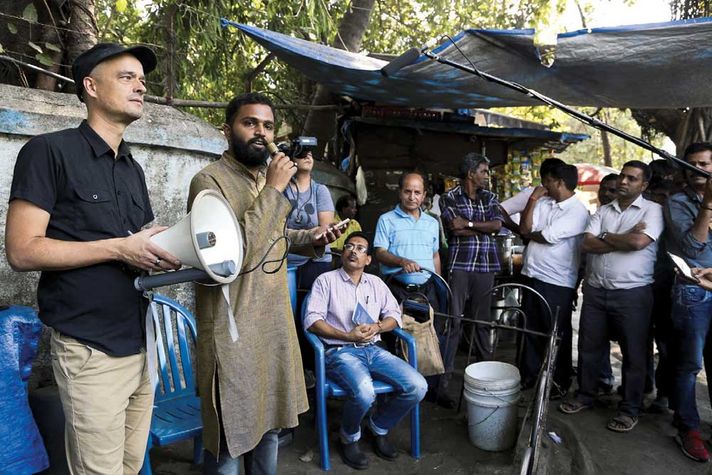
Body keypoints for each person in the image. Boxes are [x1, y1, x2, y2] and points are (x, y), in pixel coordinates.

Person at [5, 43, 181, 473]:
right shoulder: (48, 151)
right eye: (126, 77)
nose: (141, 86)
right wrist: (121, 247)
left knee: (130, 465)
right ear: (91, 87)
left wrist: (166, 248)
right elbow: (22, 250)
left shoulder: (131, 168)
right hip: (92, 350)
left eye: (142, 79)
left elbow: (134, 243)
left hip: (142, 342)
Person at [188, 92, 340, 474]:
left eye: (268, 126)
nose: (261, 133)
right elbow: (234, 256)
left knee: (270, 429)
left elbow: (276, 234)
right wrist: (274, 190)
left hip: (271, 326)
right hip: (232, 331)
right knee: (230, 441)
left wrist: (313, 238)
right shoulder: (207, 182)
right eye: (250, 123)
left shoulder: (260, 180)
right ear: (227, 130)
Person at [304, 232, 427, 470]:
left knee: (418, 386)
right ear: (343, 253)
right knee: (364, 393)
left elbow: (393, 314)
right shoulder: (325, 280)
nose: (353, 250)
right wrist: (346, 335)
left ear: (368, 260)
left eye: (360, 248)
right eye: (349, 246)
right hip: (340, 351)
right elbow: (311, 320)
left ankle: (378, 427)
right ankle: (349, 437)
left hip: (373, 349)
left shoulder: (376, 283)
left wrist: (378, 326)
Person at [560, 160, 663, 434]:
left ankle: (630, 408)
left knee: (634, 354)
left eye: (632, 178)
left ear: (644, 184)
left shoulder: (654, 211)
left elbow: (638, 243)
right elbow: (587, 243)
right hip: (595, 291)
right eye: (623, 177)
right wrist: (619, 237)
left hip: (633, 294)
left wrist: (608, 238)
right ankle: (585, 396)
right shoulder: (604, 210)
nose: (624, 182)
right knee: (589, 348)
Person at [373, 171, 451, 407]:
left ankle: (431, 390)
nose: (412, 196)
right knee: (396, 336)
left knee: (432, 336)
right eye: (407, 191)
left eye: (417, 192)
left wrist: (438, 282)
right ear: (400, 192)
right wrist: (401, 261)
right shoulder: (386, 220)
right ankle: (398, 390)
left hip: (427, 288)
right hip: (397, 288)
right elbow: (379, 252)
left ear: (424, 195)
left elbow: (435, 254)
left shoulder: (431, 222)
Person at [518, 163, 590, 399]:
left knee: (556, 333)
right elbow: (525, 228)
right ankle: (530, 376)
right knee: (530, 329)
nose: (543, 186)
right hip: (531, 275)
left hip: (557, 282)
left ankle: (558, 381)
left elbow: (546, 236)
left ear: (558, 182)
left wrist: (532, 234)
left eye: (546, 181)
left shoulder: (578, 211)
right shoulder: (544, 203)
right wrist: (532, 201)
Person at [664, 142, 712, 462]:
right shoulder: (678, 202)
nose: (699, 171)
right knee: (689, 364)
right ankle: (688, 427)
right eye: (693, 165)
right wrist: (708, 202)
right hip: (692, 292)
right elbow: (693, 248)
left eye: (705, 165)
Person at [440, 153, 504, 374]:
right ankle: (444, 377)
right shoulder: (449, 198)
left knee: (482, 322)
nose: (488, 176)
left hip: (485, 266)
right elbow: (454, 229)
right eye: (484, 171)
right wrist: (480, 227)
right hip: (460, 265)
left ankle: (485, 374)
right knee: (453, 321)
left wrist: (467, 223)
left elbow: (496, 225)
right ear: (470, 173)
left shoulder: (490, 197)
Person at [284, 145, 335, 289]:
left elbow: (325, 230)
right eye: (302, 154)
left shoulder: (320, 190)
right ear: (291, 159)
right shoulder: (282, 189)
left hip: (316, 260)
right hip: (286, 261)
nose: (308, 157)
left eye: (311, 154)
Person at [499, 158, 564, 232]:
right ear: (544, 180)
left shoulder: (566, 197)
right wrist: (518, 230)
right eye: (551, 180)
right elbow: (499, 210)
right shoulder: (531, 194)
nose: (559, 184)